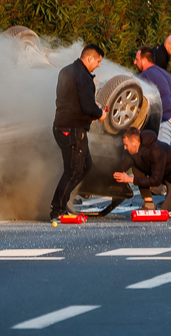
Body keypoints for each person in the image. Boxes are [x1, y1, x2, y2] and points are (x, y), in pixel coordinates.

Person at [50, 44, 106, 221]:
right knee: (73, 170)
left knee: (85, 166)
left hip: (65, 127)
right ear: (89, 58)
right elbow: (87, 105)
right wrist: (100, 114)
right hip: (72, 129)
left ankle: (61, 203)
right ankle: (56, 210)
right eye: (98, 61)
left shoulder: (66, 71)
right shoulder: (82, 76)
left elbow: (71, 100)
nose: (98, 65)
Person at [135, 46, 171, 147]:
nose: (135, 62)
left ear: (144, 60)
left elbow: (139, 100)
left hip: (166, 118)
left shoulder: (145, 75)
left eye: (137, 59)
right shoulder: (164, 73)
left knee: (161, 154)